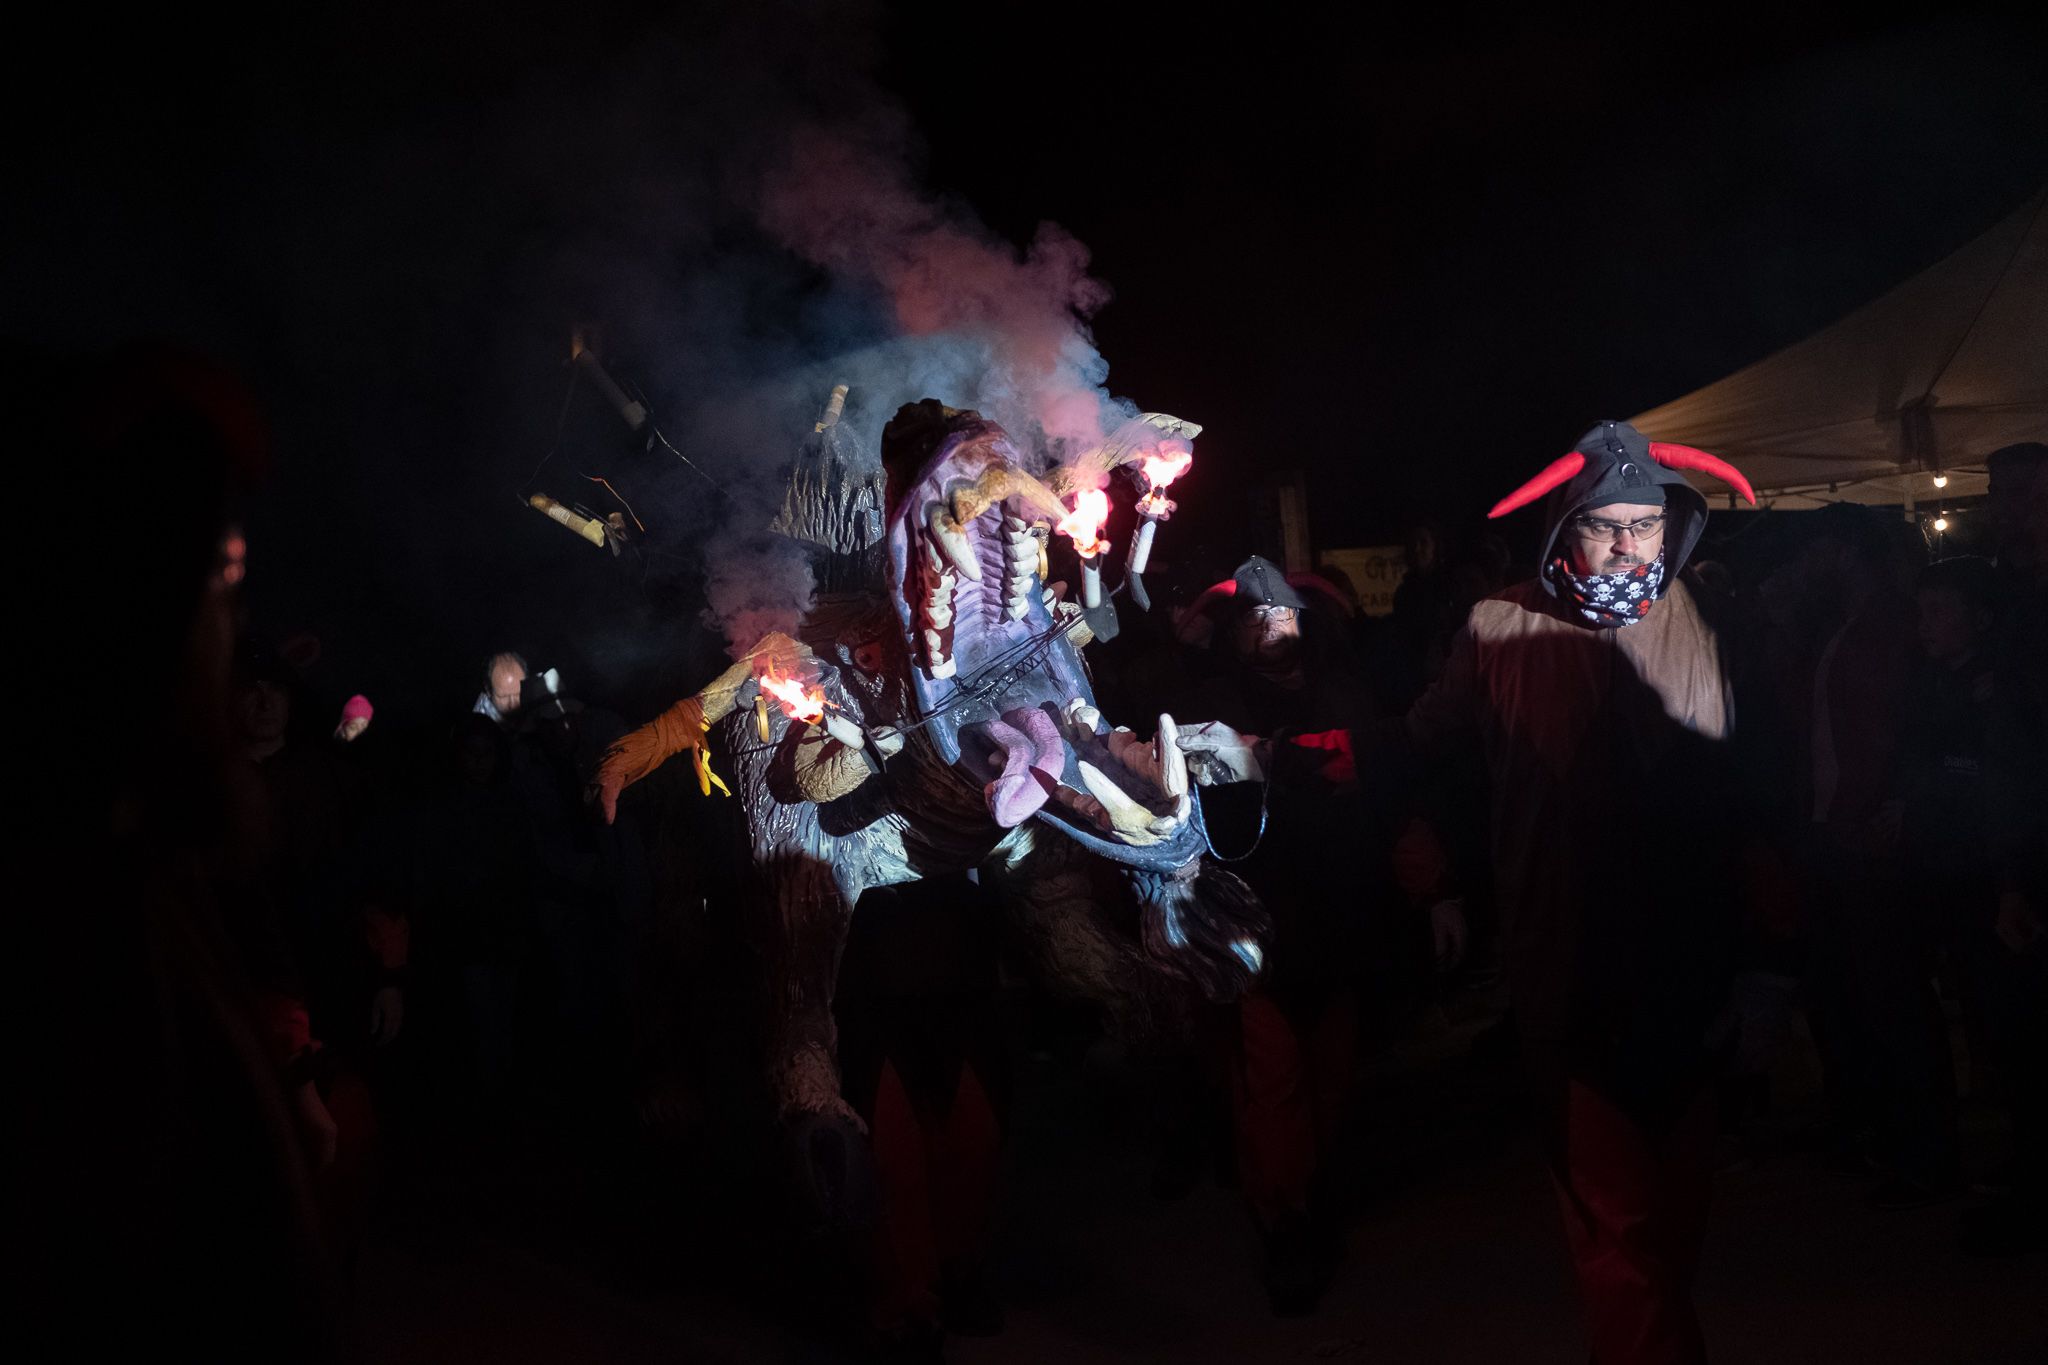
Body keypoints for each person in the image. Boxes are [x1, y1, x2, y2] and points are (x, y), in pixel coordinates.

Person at [1187, 420, 1754, 1364]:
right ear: (1563, 532)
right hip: (1569, 969)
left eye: (1645, 526)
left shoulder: (1700, 621)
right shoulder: (1499, 627)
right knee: (1618, 1236)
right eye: (1604, 524)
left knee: (1674, 1227)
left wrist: (1766, 951)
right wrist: (1272, 755)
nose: (1626, 544)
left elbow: (1748, 788)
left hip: (1689, 969)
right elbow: (1409, 748)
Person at [1898, 556, 2047, 1253]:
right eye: (1921, 609)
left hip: (1993, 882)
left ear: (1977, 618)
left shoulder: (1997, 688)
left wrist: (2010, 881)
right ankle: (2023, 1170)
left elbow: (2005, 787)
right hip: (1965, 878)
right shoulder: (1944, 682)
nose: (1924, 622)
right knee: (1999, 1029)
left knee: (2018, 1031)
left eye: (1937, 609)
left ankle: (2032, 1188)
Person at [473, 651, 528, 723]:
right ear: (488, 691)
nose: (513, 705)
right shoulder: (480, 726)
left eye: (519, 694)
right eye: (503, 696)